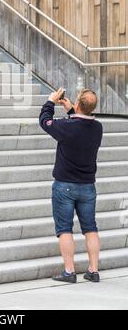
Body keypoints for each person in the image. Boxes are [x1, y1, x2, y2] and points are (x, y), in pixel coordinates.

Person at [39, 88, 103, 283]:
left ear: (78, 104)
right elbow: (79, 126)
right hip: (87, 187)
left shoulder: (67, 126)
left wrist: (50, 101)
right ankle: (93, 270)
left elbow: (45, 122)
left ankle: (69, 271)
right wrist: (71, 111)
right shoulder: (98, 127)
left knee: (65, 229)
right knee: (90, 228)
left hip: (65, 186)